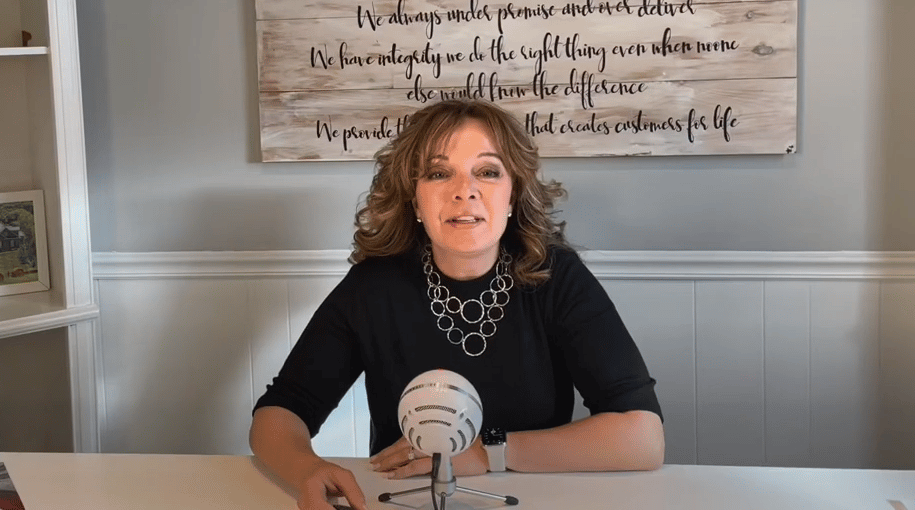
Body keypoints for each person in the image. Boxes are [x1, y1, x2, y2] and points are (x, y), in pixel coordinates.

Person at [250, 98, 664, 510]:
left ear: (513, 195)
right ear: (415, 201)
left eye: (487, 172)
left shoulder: (557, 277)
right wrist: (306, 469)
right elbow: (282, 410)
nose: (464, 190)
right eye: (438, 173)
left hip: (535, 500)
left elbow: (642, 436)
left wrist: (488, 452)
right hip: (403, 501)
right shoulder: (373, 285)